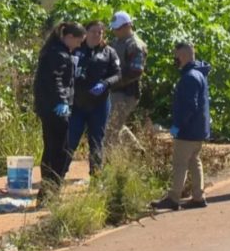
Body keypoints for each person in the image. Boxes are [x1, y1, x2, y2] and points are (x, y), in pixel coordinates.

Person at [151, 42, 211, 210]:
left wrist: (178, 125)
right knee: (194, 161)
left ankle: (173, 198)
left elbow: (189, 106)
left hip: (188, 130)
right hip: (199, 129)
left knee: (180, 163)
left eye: (176, 55)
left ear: (183, 56)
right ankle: (199, 196)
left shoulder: (189, 77)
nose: (174, 58)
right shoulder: (199, 74)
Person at [33, 22, 86, 204]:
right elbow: (55, 80)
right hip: (56, 109)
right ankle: (50, 191)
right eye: (78, 41)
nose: (79, 45)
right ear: (69, 37)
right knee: (59, 152)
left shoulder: (53, 50)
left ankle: (47, 192)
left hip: (48, 108)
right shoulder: (59, 54)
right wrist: (62, 100)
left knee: (51, 150)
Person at [68, 20, 121, 176]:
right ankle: (59, 174)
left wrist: (105, 84)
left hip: (99, 104)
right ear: (86, 32)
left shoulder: (109, 52)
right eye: (93, 31)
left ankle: (96, 177)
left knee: (96, 141)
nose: (97, 35)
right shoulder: (76, 48)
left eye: (100, 32)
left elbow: (117, 74)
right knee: (70, 139)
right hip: (78, 103)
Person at [106, 11, 148, 148]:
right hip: (116, 90)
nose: (114, 31)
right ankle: (137, 150)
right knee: (116, 124)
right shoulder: (118, 41)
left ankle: (110, 162)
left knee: (110, 130)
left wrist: (113, 81)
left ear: (128, 26)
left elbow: (135, 71)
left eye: (117, 28)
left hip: (126, 92)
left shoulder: (135, 45)